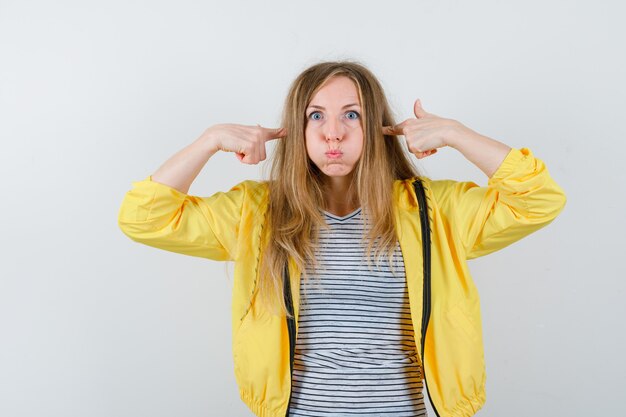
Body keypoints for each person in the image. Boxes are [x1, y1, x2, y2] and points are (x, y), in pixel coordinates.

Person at [118, 61, 566, 417]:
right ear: (298, 130)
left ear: (376, 127)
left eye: (351, 114)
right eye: (317, 116)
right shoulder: (257, 213)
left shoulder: (433, 211)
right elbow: (143, 217)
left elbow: (539, 200)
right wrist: (209, 140)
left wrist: (456, 134)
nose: (334, 132)